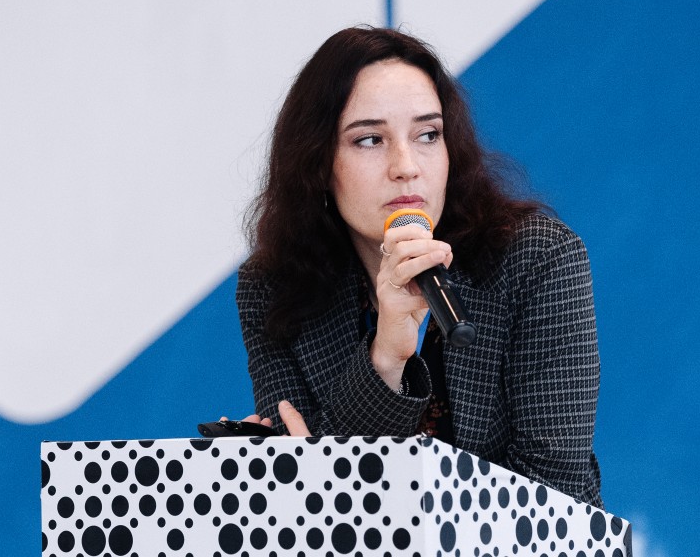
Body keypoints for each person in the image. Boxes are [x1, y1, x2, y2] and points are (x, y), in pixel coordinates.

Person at [235, 26, 602, 507]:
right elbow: (300, 503)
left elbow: (552, 498)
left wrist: (328, 480)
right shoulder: (273, 288)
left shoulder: (538, 260)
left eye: (428, 134)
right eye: (370, 140)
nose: (406, 166)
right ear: (318, 162)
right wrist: (386, 358)